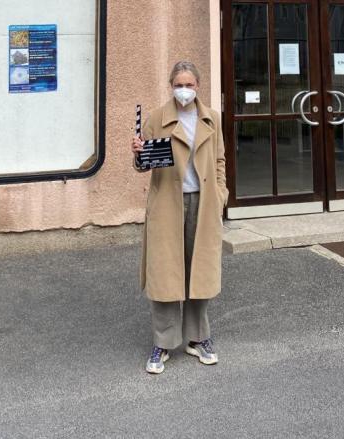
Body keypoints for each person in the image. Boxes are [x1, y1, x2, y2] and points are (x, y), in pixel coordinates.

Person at [130, 61, 228, 374]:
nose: (183, 89)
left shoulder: (212, 118)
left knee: (199, 270)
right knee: (165, 272)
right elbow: (143, 165)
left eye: (189, 84)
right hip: (167, 205)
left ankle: (198, 338)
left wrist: (220, 195)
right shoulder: (157, 118)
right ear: (171, 85)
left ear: (198, 86)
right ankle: (163, 341)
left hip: (203, 202)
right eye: (178, 84)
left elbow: (220, 160)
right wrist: (137, 152)